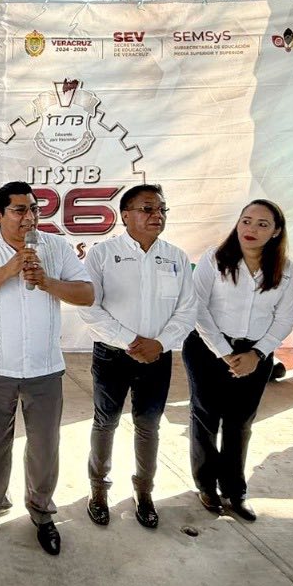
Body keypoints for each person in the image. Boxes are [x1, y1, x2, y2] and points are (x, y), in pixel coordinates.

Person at [0, 182, 93, 555]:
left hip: (45, 369)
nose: (29, 217)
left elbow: (87, 294)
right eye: (19, 210)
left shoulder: (55, 246)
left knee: (45, 447)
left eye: (34, 209)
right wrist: (9, 269)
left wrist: (46, 282)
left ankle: (42, 512)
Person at [79, 184, 197, 530]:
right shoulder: (102, 255)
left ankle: (144, 493)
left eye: (161, 210)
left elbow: (187, 310)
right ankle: (98, 490)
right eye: (147, 209)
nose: (156, 215)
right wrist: (130, 341)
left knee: (148, 425)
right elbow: (89, 308)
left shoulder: (175, 257)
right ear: (125, 215)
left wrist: (160, 343)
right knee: (106, 422)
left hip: (158, 358)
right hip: (112, 355)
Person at [183, 200, 293, 522]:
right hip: (207, 348)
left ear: (276, 232)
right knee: (205, 418)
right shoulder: (215, 258)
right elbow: (197, 307)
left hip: (255, 354)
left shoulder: (286, 269)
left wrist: (257, 354)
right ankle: (206, 485)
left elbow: (285, 318)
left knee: (240, 423)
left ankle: (234, 490)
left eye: (262, 224)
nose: (251, 229)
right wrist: (224, 352)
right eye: (246, 221)